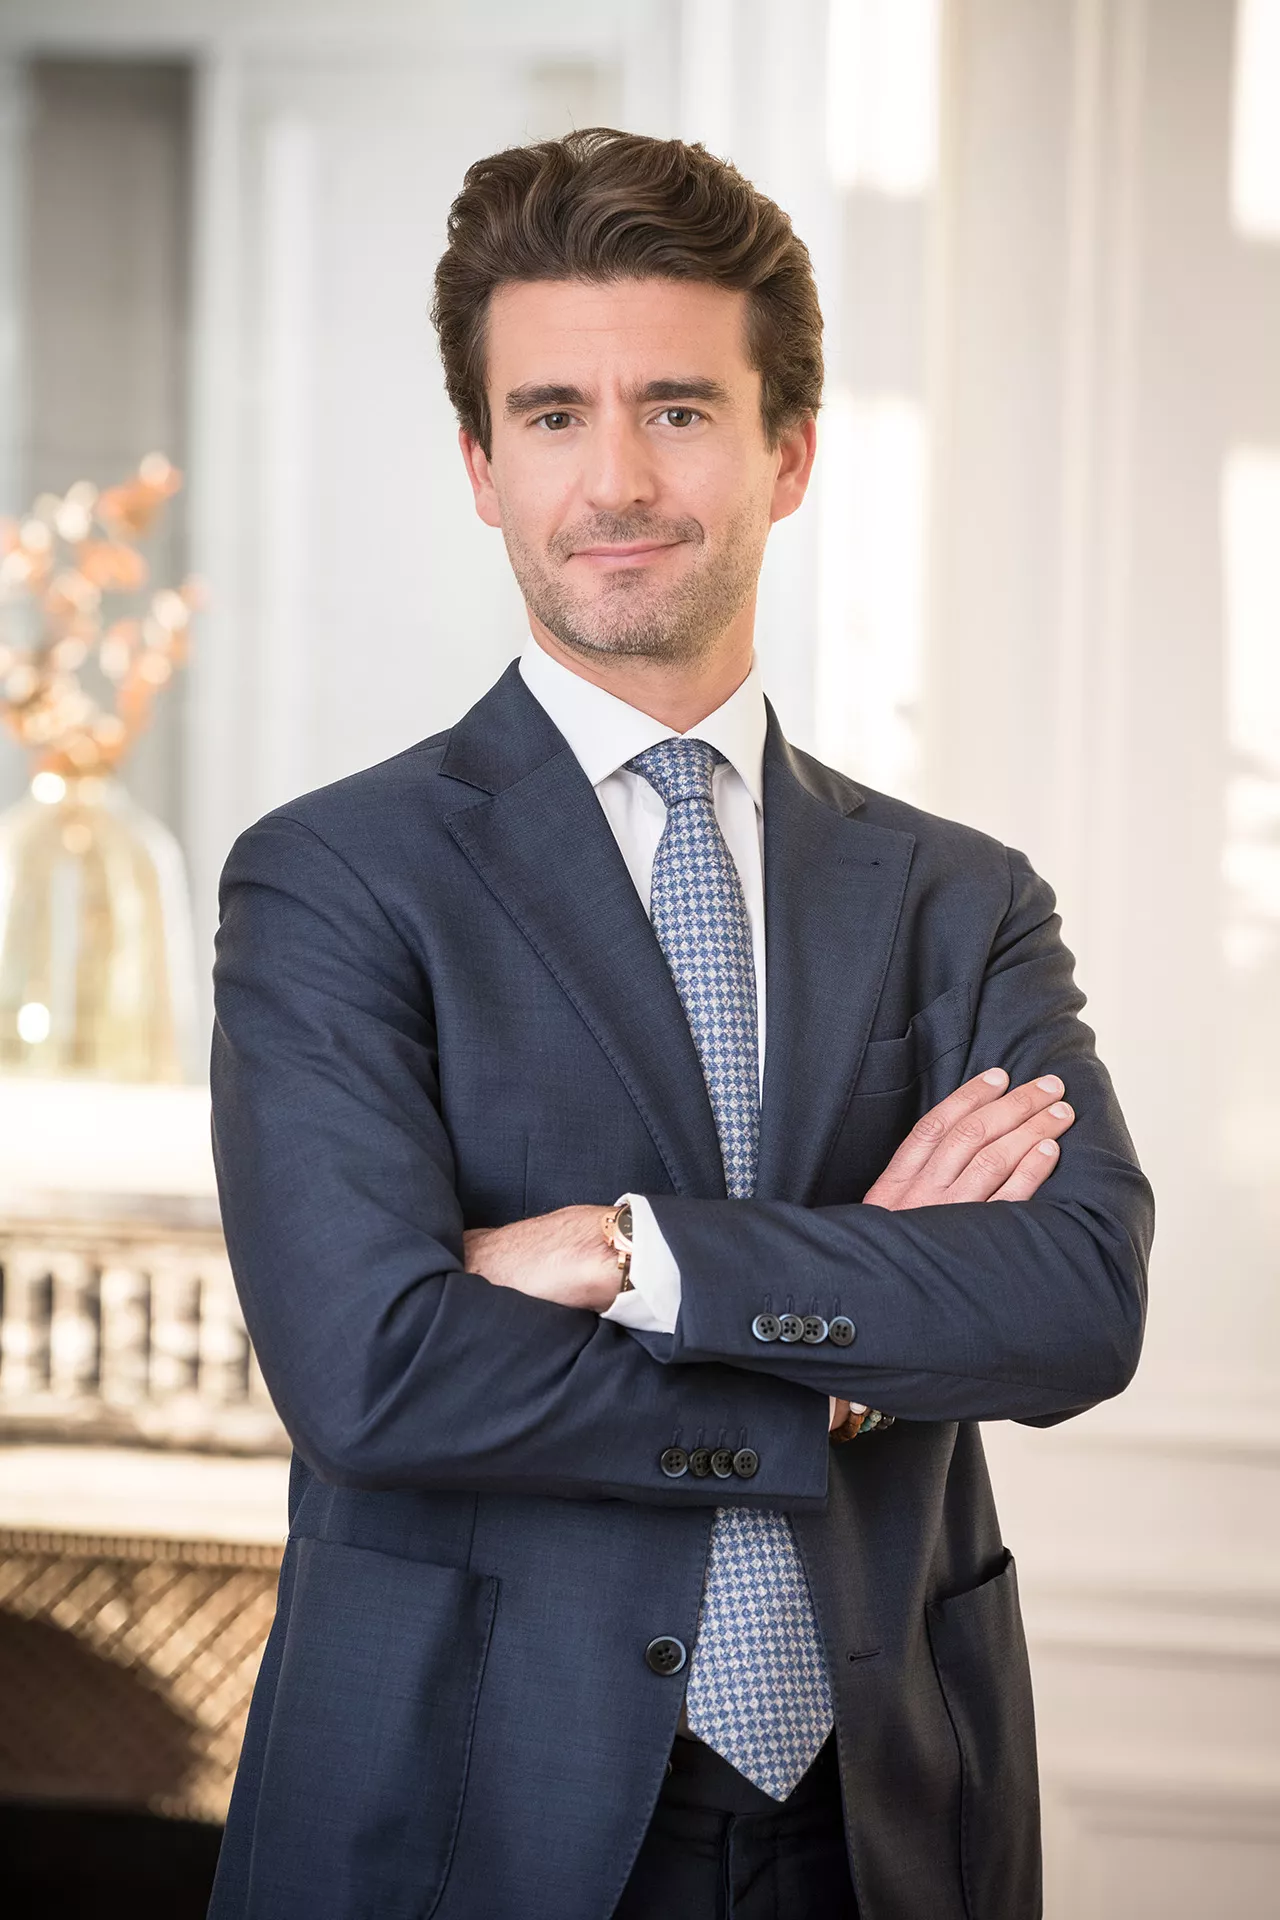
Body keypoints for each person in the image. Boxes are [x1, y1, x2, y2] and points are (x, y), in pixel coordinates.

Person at [207, 129, 1152, 1920]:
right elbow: (371, 1369)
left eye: (681, 411)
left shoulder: (963, 897)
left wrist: (634, 1254)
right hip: (463, 1807)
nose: (617, 477)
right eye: (554, 415)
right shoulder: (330, 881)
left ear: (789, 452)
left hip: (886, 1820)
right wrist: (857, 1358)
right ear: (481, 468)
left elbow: (1077, 1303)